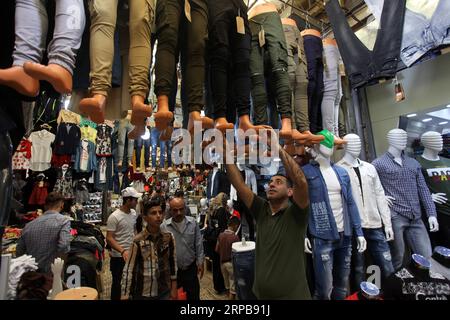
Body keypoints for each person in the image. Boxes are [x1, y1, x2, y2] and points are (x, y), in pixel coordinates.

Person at [225, 132, 311, 299]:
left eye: (278, 182)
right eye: (271, 182)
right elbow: (240, 185)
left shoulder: (296, 214)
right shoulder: (262, 209)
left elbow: (300, 181)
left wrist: (277, 148)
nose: (272, 184)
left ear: (290, 191)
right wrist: (226, 157)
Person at [121, 199, 177, 300]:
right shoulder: (137, 240)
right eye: (153, 213)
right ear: (145, 218)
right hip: (144, 292)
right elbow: (129, 269)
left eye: (160, 212)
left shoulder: (168, 237)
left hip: (164, 290)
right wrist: (125, 294)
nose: (158, 216)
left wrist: (174, 287)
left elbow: (173, 262)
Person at [161, 197, 205, 300]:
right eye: (175, 210)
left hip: (190, 268)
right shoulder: (165, 227)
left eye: (181, 209)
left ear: (185, 208)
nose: (179, 212)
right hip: (173, 272)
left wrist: (200, 261)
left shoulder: (193, 223)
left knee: (193, 296)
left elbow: (198, 243)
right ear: (170, 210)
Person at [16, 192, 71, 274]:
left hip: (32, 274)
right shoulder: (63, 221)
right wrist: (60, 269)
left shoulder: (28, 225)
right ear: (62, 205)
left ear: (45, 206)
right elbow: (64, 246)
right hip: (51, 273)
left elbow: (19, 250)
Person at [106, 187, 141, 300]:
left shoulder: (134, 213)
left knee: (131, 281)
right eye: (135, 199)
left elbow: (133, 230)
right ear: (128, 200)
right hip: (119, 256)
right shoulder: (114, 217)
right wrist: (122, 251)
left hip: (131, 253)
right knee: (117, 283)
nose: (137, 202)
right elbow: (109, 238)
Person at [215, 216, 240, 300]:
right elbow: (238, 253)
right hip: (231, 264)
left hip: (222, 264)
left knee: (227, 287)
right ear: (235, 225)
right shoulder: (235, 237)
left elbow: (216, 249)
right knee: (233, 290)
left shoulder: (220, 235)